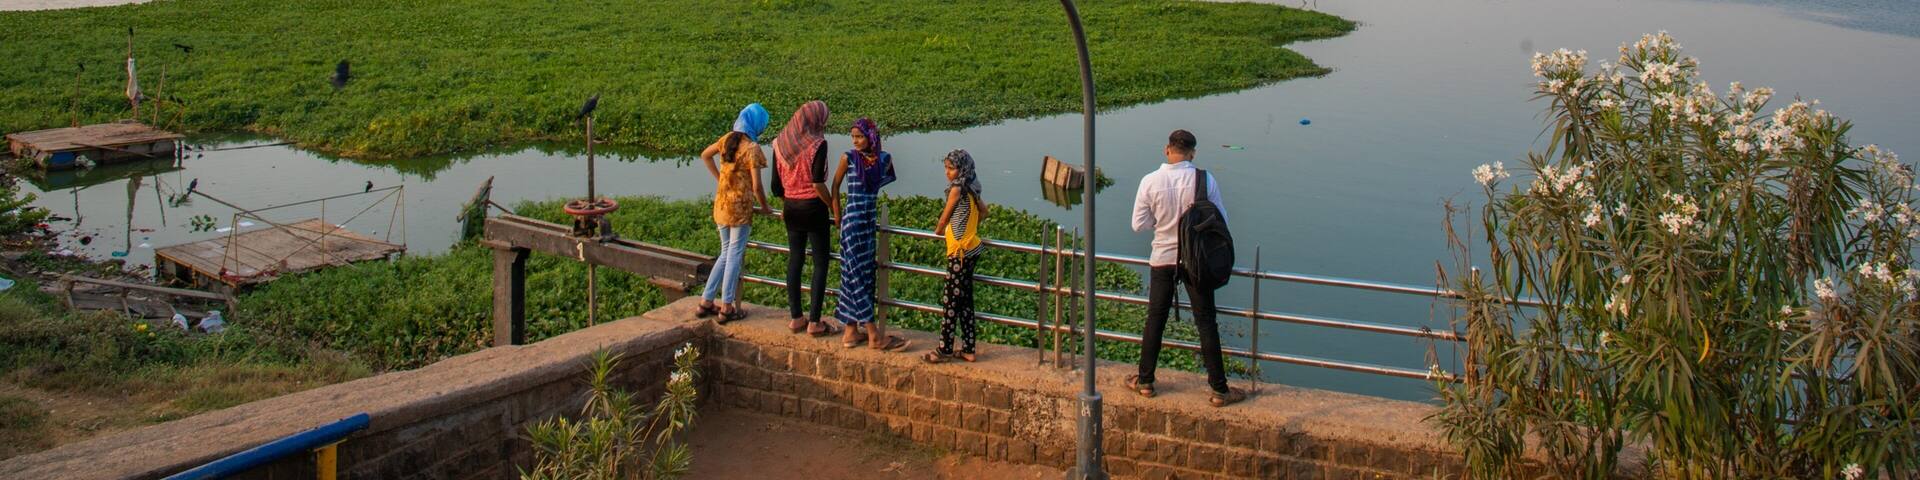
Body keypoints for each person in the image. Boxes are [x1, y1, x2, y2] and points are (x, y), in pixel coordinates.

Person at [1126, 129, 1247, 407]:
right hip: (1196, 263)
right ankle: (1219, 389)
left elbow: (1138, 224)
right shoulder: (1204, 179)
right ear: (1192, 152)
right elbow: (1221, 220)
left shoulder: (1150, 181)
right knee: (1206, 323)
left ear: (1167, 150)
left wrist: (1162, 224)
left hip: (1163, 259)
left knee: (1155, 320)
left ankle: (1145, 382)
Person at [830, 118, 909, 351]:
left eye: (860, 136)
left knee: (862, 275)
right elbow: (834, 185)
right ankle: (874, 334)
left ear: (871, 137)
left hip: (867, 222)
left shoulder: (883, 159)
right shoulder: (848, 158)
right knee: (854, 274)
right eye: (853, 136)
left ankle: (850, 331)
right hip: (853, 221)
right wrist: (836, 214)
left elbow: (883, 175)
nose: (855, 141)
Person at [694, 103, 772, 323]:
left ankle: (706, 301)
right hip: (739, 209)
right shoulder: (752, 149)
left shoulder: (727, 139)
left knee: (725, 252)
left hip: (721, 205)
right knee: (734, 255)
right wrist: (765, 207)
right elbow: (757, 187)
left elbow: (705, 155)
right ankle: (727, 306)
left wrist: (720, 179)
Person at [771, 101, 840, 337]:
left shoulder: (780, 144)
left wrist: (788, 200)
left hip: (791, 208)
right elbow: (817, 182)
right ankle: (814, 322)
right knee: (820, 262)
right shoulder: (817, 144)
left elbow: (775, 186)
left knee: (796, 259)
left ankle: (796, 318)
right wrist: (832, 205)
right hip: (813, 209)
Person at [925, 149, 987, 364]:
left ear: (962, 169)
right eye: (946, 168)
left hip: (959, 252)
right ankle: (969, 348)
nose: (947, 173)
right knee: (965, 301)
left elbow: (944, 218)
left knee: (951, 302)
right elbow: (984, 212)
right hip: (972, 248)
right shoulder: (972, 187)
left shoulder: (957, 189)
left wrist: (939, 230)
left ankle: (945, 349)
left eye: (951, 168)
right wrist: (971, 227)